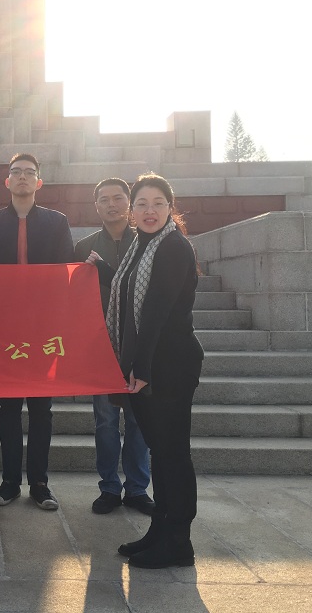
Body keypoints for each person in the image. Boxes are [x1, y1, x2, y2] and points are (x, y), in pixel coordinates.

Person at [85, 173, 204, 569]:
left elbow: (155, 310)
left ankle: (179, 542)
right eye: (142, 204)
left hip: (169, 367)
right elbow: (128, 289)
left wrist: (140, 367)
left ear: (170, 207)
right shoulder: (143, 245)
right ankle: (161, 530)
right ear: (132, 211)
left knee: (173, 454)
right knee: (161, 452)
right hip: (153, 364)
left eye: (158, 203)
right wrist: (102, 269)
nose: (149, 211)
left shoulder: (172, 246)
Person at [0, 152, 73, 511]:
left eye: (29, 172)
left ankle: (40, 483)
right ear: (7, 181)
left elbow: (64, 273)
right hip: (4, 330)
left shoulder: (57, 222)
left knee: (42, 407)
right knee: (9, 407)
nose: (22, 177)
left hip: (42, 329)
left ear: (39, 182)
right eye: (16, 172)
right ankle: (10, 482)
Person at [74, 179, 154, 516]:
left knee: (138, 421)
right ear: (96, 206)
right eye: (104, 199)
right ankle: (108, 487)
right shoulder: (84, 248)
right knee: (106, 421)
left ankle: (137, 488)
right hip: (101, 346)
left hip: (139, 344)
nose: (112, 204)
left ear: (129, 203)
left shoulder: (148, 243)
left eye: (118, 198)